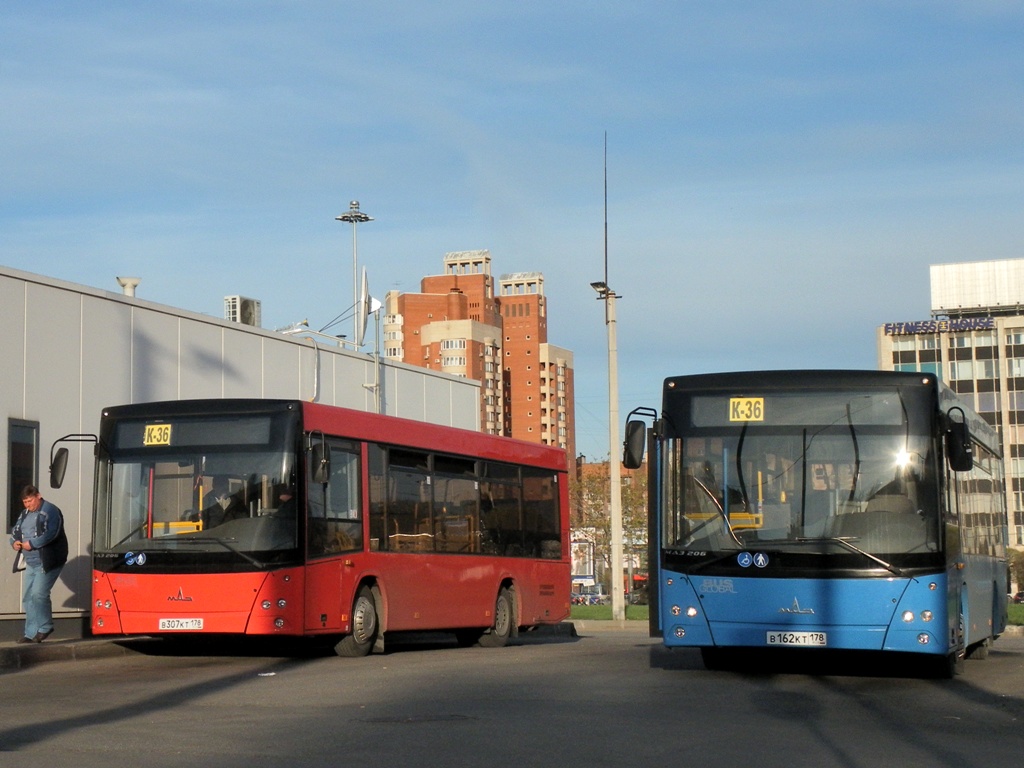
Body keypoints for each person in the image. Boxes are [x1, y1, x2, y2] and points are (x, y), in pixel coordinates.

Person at [9, 485, 68, 643]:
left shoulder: (50, 510)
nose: (28, 505)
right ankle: (30, 634)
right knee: (28, 597)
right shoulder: (25, 514)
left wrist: (33, 543)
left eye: (30, 501)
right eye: (25, 502)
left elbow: (52, 533)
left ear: (38, 496)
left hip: (48, 560)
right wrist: (14, 542)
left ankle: (45, 627)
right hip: (31, 562)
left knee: (39, 594)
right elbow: (16, 531)